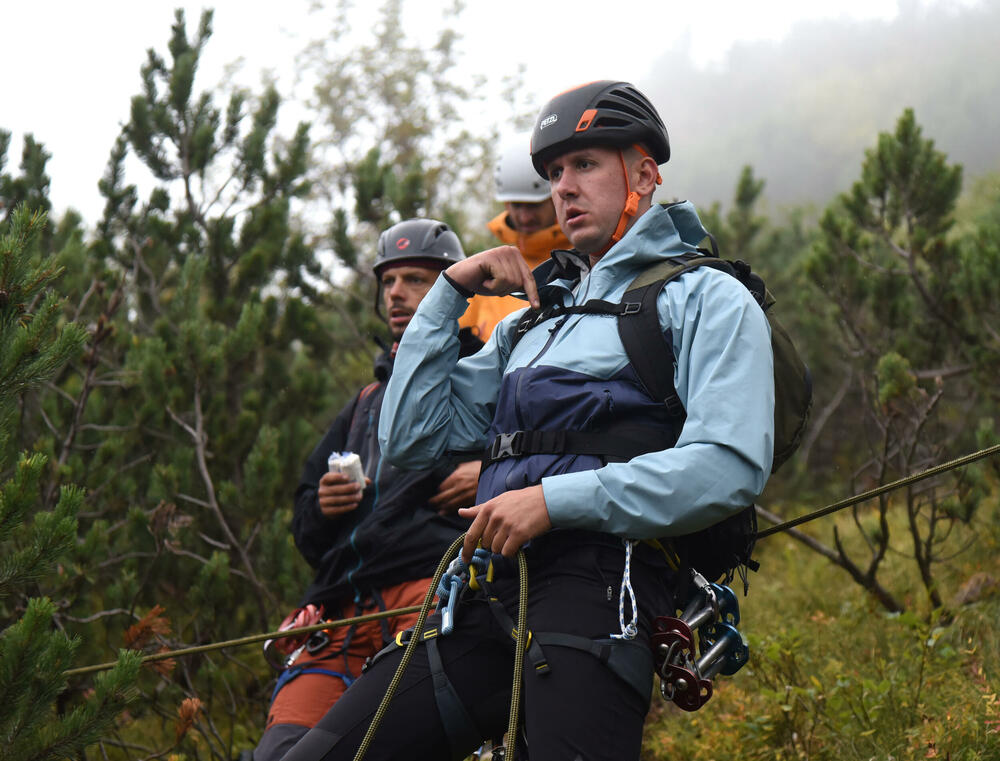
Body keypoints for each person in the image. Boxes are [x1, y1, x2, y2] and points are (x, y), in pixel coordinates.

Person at [281, 80, 775, 761]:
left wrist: (550, 501)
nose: (562, 188)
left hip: (602, 592)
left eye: (584, 165)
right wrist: (449, 291)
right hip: (482, 596)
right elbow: (412, 437)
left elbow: (729, 466)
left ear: (645, 173)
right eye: (553, 172)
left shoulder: (705, 297)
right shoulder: (535, 325)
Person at [252, 219, 482, 761]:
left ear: (458, 292)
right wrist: (323, 508)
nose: (397, 293)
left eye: (418, 280)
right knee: (279, 755)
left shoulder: (485, 377)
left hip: (431, 596)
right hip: (341, 611)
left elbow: (543, 465)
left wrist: (489, 471)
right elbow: (307, 535)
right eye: (389, 281)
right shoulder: (362, 404)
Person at [458, 131, 571, 341]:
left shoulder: (585, 259)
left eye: (534, 205)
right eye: (517, 205)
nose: (525, 217)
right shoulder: (484, 272)